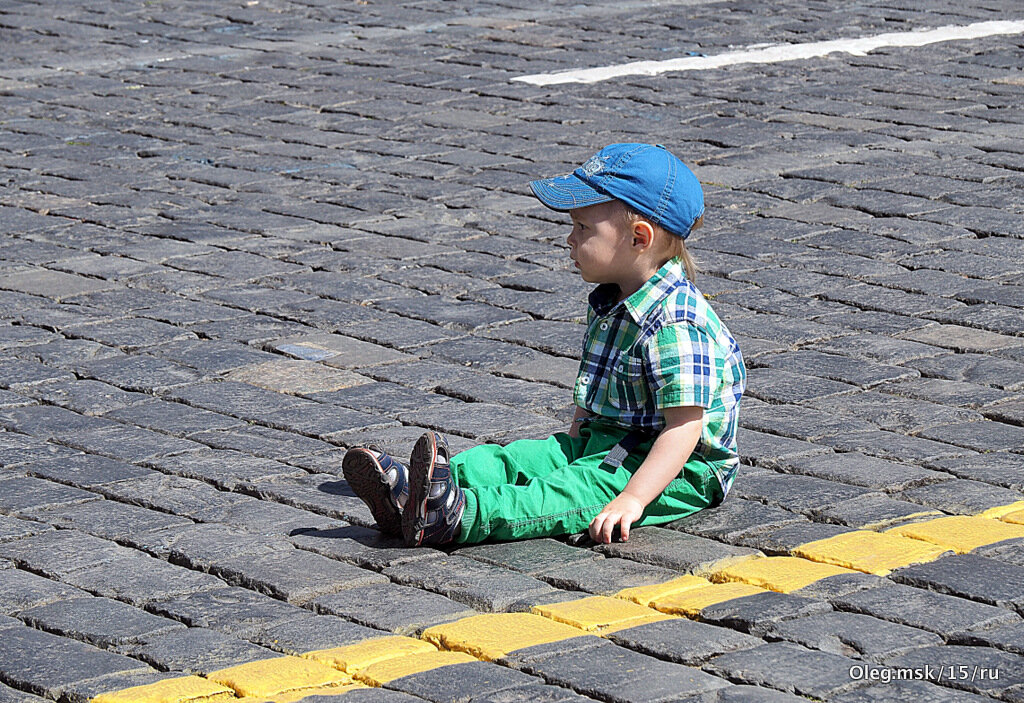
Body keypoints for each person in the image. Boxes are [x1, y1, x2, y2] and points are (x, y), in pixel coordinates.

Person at [343, 143, 745, 547]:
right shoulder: (615, 297)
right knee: (519, 459)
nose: (570, 240)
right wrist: (569, 445)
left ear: (639, 238)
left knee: (570, 490)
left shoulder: (677, 322)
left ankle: (456, 516)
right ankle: (418, 490)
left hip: (676, 466)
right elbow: (596, 385)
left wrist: (633, 498)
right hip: (609, 439)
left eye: (583, 228)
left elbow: (684, 427)